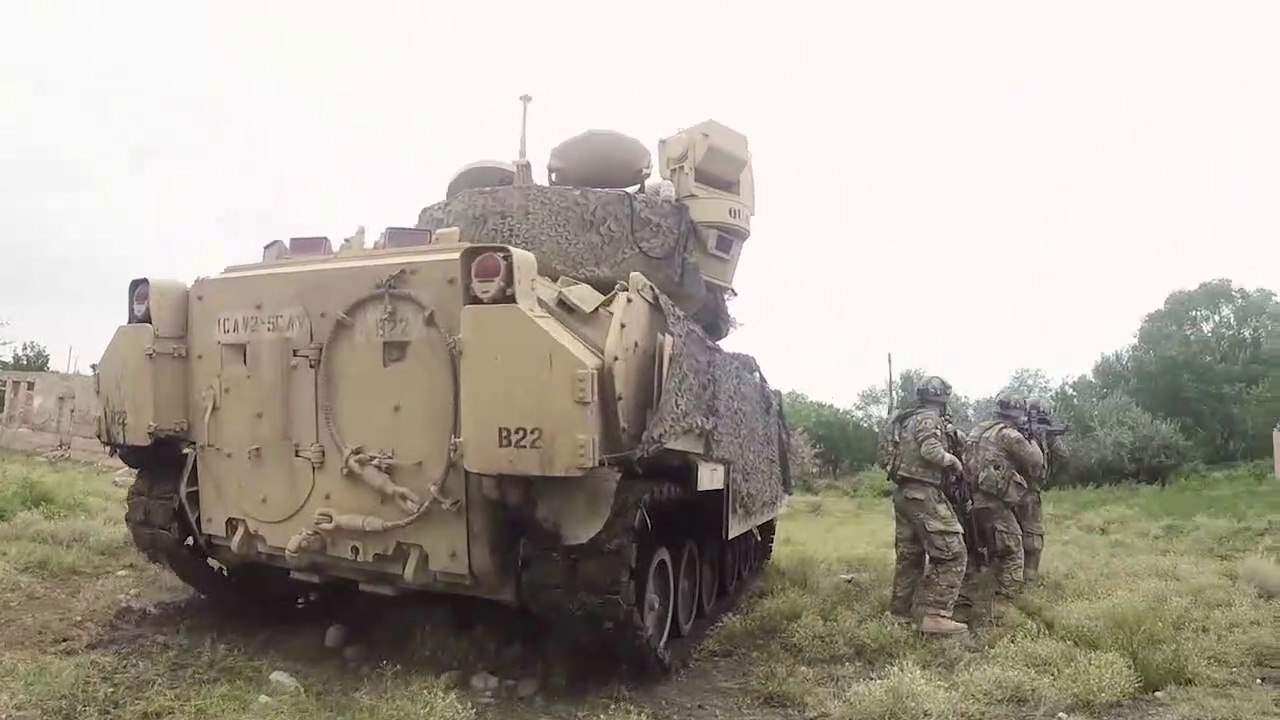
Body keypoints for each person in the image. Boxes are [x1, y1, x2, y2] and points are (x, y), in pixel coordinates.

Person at [877, 375, 969, 635]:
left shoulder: (907, 419)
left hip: (904, 493)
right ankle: (936, 615)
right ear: (942, 398)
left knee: (910, 556)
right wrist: (953, 461)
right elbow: (931, 450)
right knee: (952, 552)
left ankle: (899, 614)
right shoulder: (929, 418)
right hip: (924, 492)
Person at [952, 392, 1044, 623]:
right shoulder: (1009, 434)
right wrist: (1032, 438)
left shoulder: (979, 429)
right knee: (1013, 551)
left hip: (969, 501)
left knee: (975, 553)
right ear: (1018, 413)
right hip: (993, 504)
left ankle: (962, 607)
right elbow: (1036, 461)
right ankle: (1004, 609)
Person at [1020, 397, 1069, 585]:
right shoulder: (1025, 432)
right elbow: (1062, 455)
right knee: (1033, 538)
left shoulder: (1013, 429)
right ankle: (1028, 582)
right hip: (1029, 492)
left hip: (1007, 492)